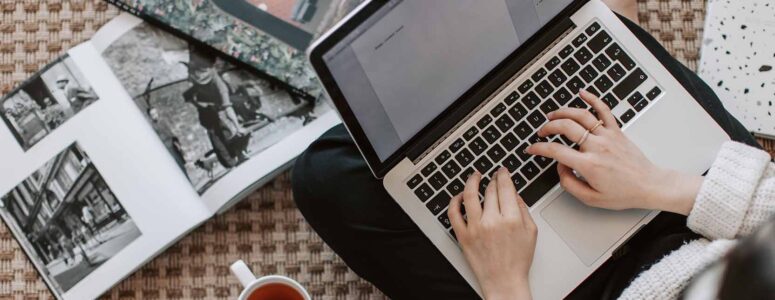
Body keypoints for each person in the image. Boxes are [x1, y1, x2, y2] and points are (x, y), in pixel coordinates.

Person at [291, 1, 775, 299]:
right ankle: (598, 25)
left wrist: (505, 284)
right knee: (606, 46)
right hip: (709, 219)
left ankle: (596, 23)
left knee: (327, 175)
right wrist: (661, 183)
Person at [183, 46, 251, 168]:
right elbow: (227, 107)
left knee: (223, 132)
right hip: (207, 110)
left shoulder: (194, 70)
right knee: (218, 133)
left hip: (208, 108)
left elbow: (226, 107)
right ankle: (231, 161)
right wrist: (237, 126)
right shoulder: (219, 86)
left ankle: (235, 156)